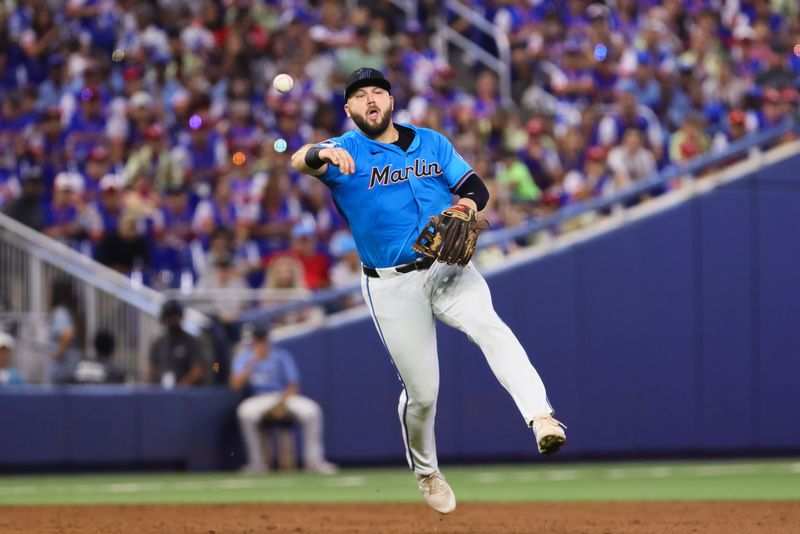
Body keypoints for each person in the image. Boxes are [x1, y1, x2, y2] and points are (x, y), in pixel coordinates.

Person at [290, 68, 566, 514]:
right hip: (392, 285)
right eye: (360, 96)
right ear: (349, 109)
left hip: (448, 267)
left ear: (392, 100)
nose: (370, 99)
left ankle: (541, 416)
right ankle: (426, 471)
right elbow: (298, 160)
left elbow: (473, 186)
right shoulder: (344, 152)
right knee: (423, 394)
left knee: (492, 329)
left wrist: (467, 204)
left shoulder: (431, 142)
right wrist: (321, 150)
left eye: (378, 91)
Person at [229, 323, 336, 474]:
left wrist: (282, 401)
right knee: (244, 413)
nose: (260, 343)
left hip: (282, 396)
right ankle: (257, 464)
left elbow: (293, 385)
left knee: (312, 411)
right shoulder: (244, 357)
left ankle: (314, 461)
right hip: (260, 399)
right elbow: (235, 385)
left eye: (262, 339)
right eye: (257, 340)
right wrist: (253, 361)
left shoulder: (280, 355)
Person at [147, 299, 205, 387]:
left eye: (174, 317)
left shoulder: (191, 342)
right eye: (169, 317)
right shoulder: (158, 343)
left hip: (184, 394)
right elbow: (151, 369)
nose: (171, 320)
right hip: (160, 391)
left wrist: (181, 386)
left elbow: (198, 370)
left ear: (180, 317)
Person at [48, 278, 84, 384]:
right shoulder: (71, 312)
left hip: (62, 370)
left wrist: (57, 354)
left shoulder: (60, 312)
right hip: (72, 367)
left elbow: (68, 333)